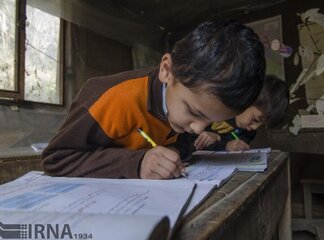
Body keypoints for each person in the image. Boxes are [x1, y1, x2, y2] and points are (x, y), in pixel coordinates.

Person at [41, 19, 265, 179]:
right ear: (167, 70)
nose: (198, 129)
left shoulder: (182, 108)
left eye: (209, 121)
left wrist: (175, 153)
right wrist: (137, 163)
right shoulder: (114, 98)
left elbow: (185, 144)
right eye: (194, 112)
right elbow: (56, 158)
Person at [193, 75, 289, 151]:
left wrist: (223, 142)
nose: (254, 127)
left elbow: (237, 146)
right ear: (246, 99)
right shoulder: (217, 105)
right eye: (255, 120)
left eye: (262, 125)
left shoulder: (248, 131)